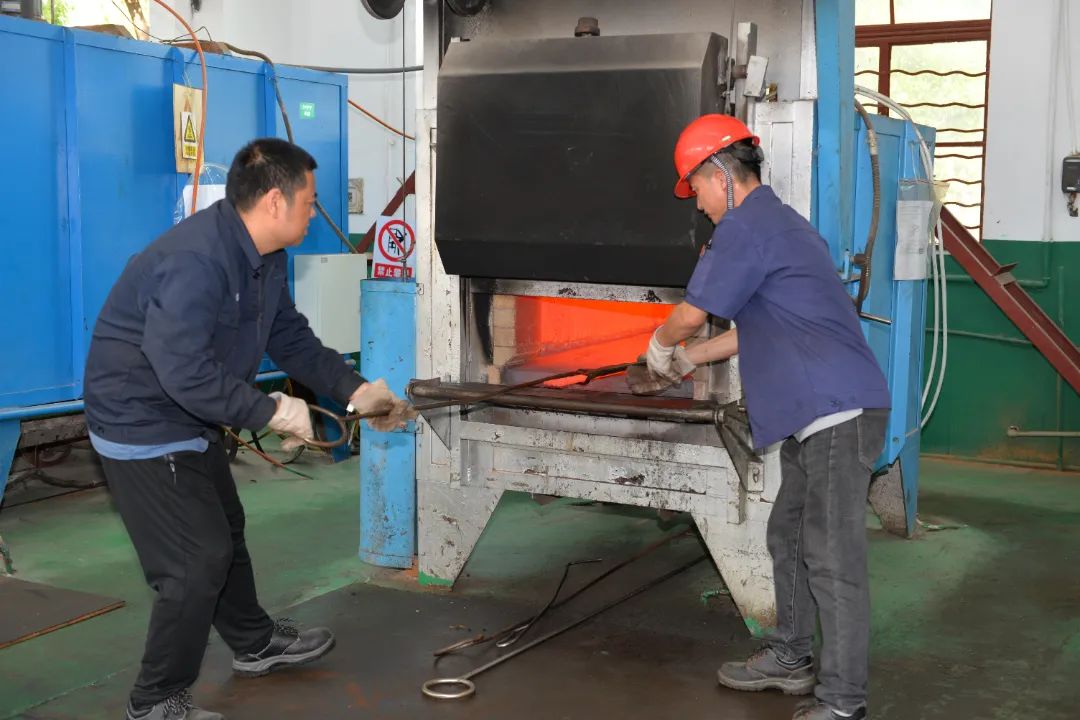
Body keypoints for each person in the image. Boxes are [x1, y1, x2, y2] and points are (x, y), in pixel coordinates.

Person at [84, 138, 408, 720]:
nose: (314, 212)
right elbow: (182, 370)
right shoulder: (196, 260)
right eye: (310, 201)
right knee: (195, 561)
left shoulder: (264, 256)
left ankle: (254, 644)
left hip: (193, 412)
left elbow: (289, 338)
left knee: (224, 529)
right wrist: (271, 411)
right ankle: (154, 701)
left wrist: (355, 389)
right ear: (275, 201)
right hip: (142, 420)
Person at [629, 115, 891, 720]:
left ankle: (843, 703)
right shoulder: (781, 225)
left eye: (697, 187)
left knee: (832, 558)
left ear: (721, 174)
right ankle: (792, 657)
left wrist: (663, 346)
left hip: (835, 411)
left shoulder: (746, 227)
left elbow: (692, 314)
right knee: (789, 535)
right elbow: (761, 325)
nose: (698, 204)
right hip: (816, 414)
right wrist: (689, 361)